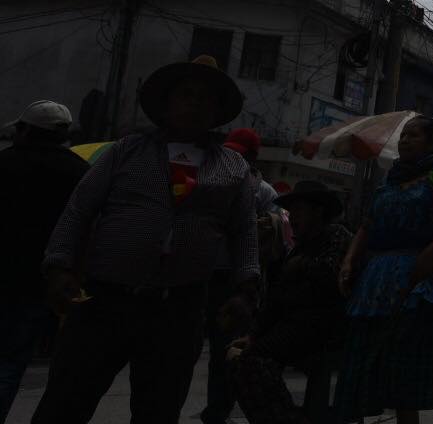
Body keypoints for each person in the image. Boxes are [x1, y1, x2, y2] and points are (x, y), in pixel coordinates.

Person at [32, 55, 260, 424]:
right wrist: (59, 266)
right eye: (186, 94)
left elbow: (245, 234)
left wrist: (245, 289)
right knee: (65, 402)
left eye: (205, 97)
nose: (195, 103)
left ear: (217, 110)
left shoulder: (233, 168)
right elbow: (79, 210)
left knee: (159, 409)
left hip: (179, 309)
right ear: (167, 103)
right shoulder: (126, 151)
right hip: (105, 299)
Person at [336, 116, 433, 424]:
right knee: (363, 365)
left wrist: (430, 254)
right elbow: (367, 225)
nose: (405, 141)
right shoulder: (390, 180)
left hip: (417, 281)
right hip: (375, 283)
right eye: (403, 136)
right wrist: (349, 260)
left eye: (414, 135)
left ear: (431, 142)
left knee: (404, 373)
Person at [228, 180, 354, 424]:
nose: (293, 217)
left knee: (251, 361)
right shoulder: (298, 248)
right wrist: (253, 335)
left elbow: (331, 277)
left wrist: (301, 267)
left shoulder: (337, 236)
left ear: (318, 211)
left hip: (322, 329)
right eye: (291, 211)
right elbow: (275, 299)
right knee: (238, 359)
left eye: (300, 210)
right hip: (291, 327)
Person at [0, 101, 87, 421]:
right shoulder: (79, 172)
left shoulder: (5, 163)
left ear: (26, 131)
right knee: (12, 362)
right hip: (46, 281)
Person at [201, 127, 286, 424]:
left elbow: (278, 238)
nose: (234, 157)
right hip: (198, 275)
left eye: (241, 152)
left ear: (251, 156)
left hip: (237, 281)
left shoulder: (263, 192)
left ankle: (217, 413)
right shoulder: (208, 178)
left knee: (225, 353)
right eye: (231, 150)